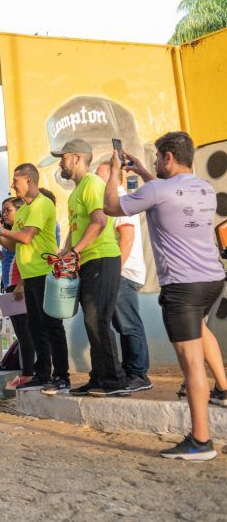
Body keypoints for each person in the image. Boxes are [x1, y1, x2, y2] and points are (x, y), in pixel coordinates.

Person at [105, 131, 227, 460]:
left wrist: (116, 168)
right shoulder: (203, 188)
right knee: (201, 331)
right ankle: (225, 390)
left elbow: (111, 206)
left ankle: (201, 441)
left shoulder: (156, 190)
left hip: (183, 288)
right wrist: (145, 170)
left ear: (169, 158)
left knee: (191, 366)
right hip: (212, 280)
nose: (156, 162)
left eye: (159, 158)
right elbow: (165, 191)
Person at [0, 164, 69, 393]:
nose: (13, 186)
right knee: (35, 327)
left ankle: (62, 375)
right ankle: (43, 373)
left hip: (44, 272)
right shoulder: (24, 210)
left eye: (16, 181)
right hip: (29, 274)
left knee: (52, 326)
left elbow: (26, 237)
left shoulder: (41, 204)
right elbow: (11, 245)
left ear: (28, 180)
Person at [55, 139, 126, 397]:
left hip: (103, 258)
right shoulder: (75, 192)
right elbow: (77, 229)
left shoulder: (93, 184)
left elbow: (100, 220)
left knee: (97, 320)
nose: (60, 162)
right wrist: (65, 252)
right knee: (92, 321)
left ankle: (114, 381)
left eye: (63, 157)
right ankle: (99, 379)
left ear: (76, 158)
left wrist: (75, 251)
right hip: (88, 261)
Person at [96, 162, 152, 393]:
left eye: (100, 176)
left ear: (113, 177)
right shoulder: (113, 199)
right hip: (120, 272)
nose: (96, 180)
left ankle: (139, 374)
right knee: (122, 325)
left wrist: (113, 273)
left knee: (129, 325)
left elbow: (126, 237)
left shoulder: (117, 197)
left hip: (123, 273)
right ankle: (131, 372)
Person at [0, 197, 38, 388]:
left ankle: (30, 373)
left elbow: (24, 255)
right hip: (11, 283)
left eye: (8, 210)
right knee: (21, 332)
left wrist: (21, 284)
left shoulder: (23, 232)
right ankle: (28, 371)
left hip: (19, 284)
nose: (5, 213)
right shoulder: (12, 232)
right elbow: (8, 249)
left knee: (26, 332)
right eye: (3, 210)